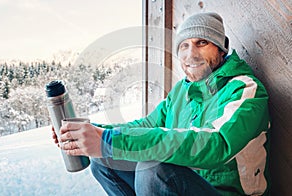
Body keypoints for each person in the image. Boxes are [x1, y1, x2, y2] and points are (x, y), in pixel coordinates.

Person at [52, 12, 270, 195]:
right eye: (183, 46)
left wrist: (108, 140)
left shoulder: (245, 89)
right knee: (105, 160)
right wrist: (93, 133)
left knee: (153, 170)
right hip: (186, 183)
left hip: (225, 192)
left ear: (221, 49)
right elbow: (147, 126)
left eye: (201, 43)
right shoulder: (181, 92)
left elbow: (217, 144)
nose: (190, 54)